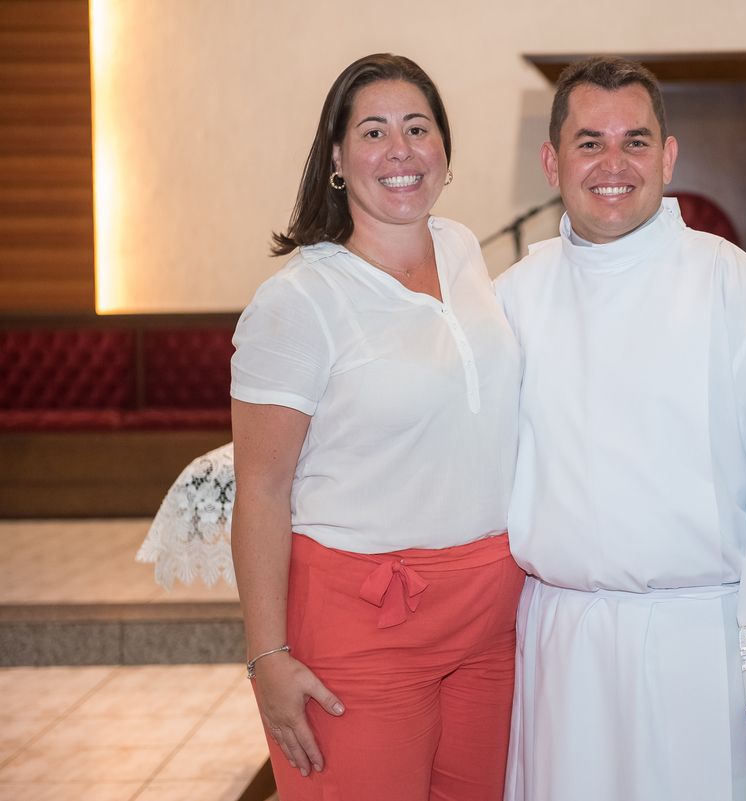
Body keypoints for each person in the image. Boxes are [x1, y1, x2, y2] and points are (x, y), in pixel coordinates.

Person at [496, 56, 746, 801]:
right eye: (589, 142)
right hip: (564, 648)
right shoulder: (511, 303)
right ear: (552, 161)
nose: (613, 163)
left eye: (636, 141)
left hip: (708, 654)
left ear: (668, 157)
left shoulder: (738, 291)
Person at [230, 54, 523, 801]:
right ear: (336, 156)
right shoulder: (299, 300)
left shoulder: (460, 248)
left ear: (444, 151)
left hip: (492, 614)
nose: (401, 150)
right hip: (366, 622)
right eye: (374, 131)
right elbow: (261, 488)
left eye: (418, 128)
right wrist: (267, 655)